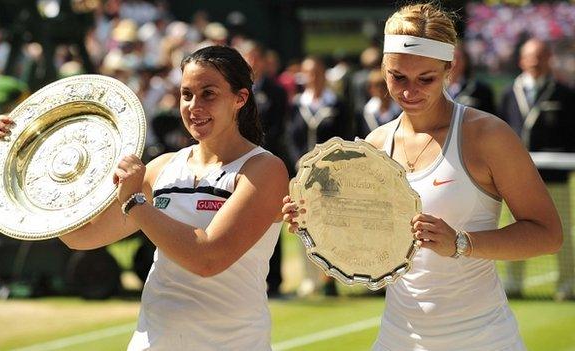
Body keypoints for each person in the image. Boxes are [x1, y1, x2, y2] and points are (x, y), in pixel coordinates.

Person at [283, 3, 562, 350]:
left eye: (425, 79)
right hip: (397, 337)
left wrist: (462, 244)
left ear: (449, 69)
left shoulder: (488, 135)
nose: (409, 91)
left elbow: (548, 234)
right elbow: (365, 247)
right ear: (383, 69)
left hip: (483, 339)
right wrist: (318, 223)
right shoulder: (376, 143)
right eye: (397, 77)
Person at [0, 45, 288, 350]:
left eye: (208, 93)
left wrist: (135, 203)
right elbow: (81, 237)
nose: (194, 106)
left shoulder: (265, 169)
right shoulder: (162, 168)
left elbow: (207, 258)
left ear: (240, 98)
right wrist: (21, 153)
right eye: (186, 94)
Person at [499, 38, 575, 301]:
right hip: (515, 178)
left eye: (540, 56)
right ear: (521, 60)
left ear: (548, 59)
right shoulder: (510, 92)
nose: (535, 61)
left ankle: (567, 283)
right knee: (514, 231)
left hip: (555, 176)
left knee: (562, 229)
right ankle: (513, 283)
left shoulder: (565, 93)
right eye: (530, 56)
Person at [287, 55, 352, 297]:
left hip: (330, 177)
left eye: (316, 72)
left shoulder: (337, 104)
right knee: (303, 223)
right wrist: (300, 162)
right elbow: (290, 137)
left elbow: (344, 140)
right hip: (302, 177)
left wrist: (326, 165)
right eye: (308, 73)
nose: (312, 77)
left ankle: (330, 277)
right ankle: (309, 279)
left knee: (331, 226)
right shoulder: (296, 105)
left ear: (323, 74)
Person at [238, 40, 289, 298]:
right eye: (248, 59)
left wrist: (262, 152)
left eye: (256, 58)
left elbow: (281, 125)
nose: (253, 63)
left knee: (272, 221)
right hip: (241, 161)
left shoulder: (277, 90)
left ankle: (276, 280)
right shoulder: (238, 89)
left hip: (268, 160)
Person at [447, 43, 496, 114]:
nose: (454, 63)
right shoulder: (435, 88)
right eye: (451, 58)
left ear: (466, 61)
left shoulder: (481, 90)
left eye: (458, 58)